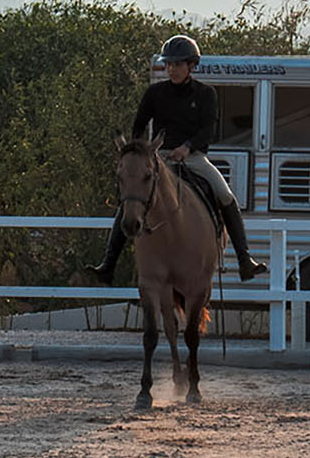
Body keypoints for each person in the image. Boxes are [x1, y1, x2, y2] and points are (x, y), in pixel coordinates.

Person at [89, 34, 268, 282]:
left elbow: (208, 130)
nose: (171, 69)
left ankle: (244, 259)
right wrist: (140, 155)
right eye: (169, 64)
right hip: (159, 158)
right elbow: (139, 126)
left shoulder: (206, 94)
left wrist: (186, 148)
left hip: (194, 158)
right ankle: (108, 263)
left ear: (191, 66)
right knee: (131, 199)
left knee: (225, 195)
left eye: (177, 64)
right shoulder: (154, 93)